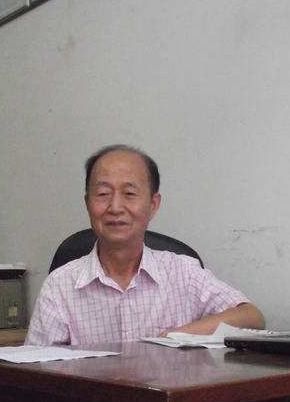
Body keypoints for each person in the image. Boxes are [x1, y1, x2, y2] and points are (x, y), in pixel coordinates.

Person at [26, 144, 265, 346]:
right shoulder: (59, 287)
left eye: (129, 194)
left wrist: (175, 336)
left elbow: (252, 317)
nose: (115, 207)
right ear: (88, 203)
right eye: (103, 194)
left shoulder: (184, 273)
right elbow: (36, 373)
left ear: (153, 205)